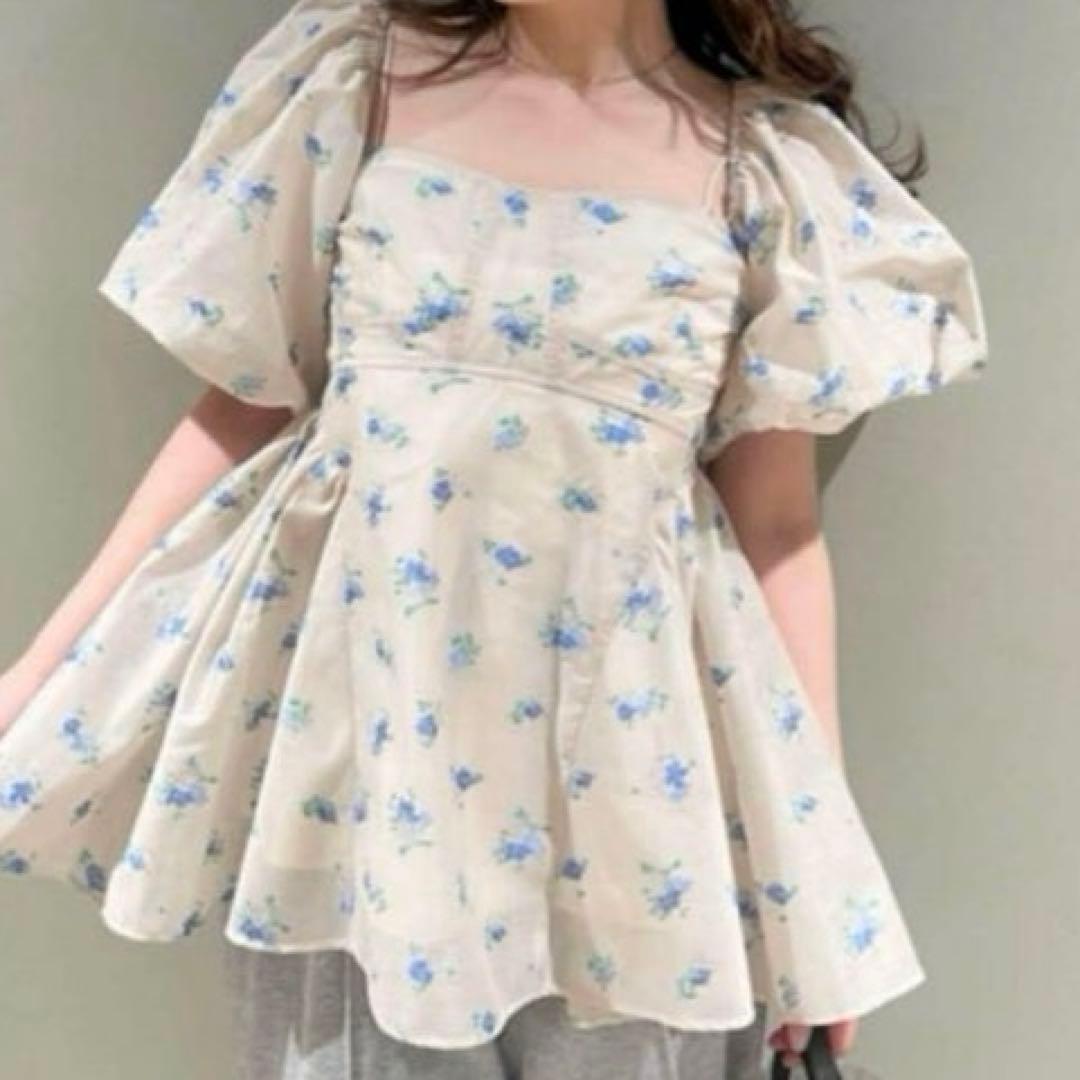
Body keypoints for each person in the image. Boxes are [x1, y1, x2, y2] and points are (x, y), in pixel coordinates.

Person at [0, 0, 989, 1077]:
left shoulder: (764, 166)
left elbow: (780, 527)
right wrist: (33, 681)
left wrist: (816, 897)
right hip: (363, 767)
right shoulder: (356, 79)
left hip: (636, 786)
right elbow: (240, 406)